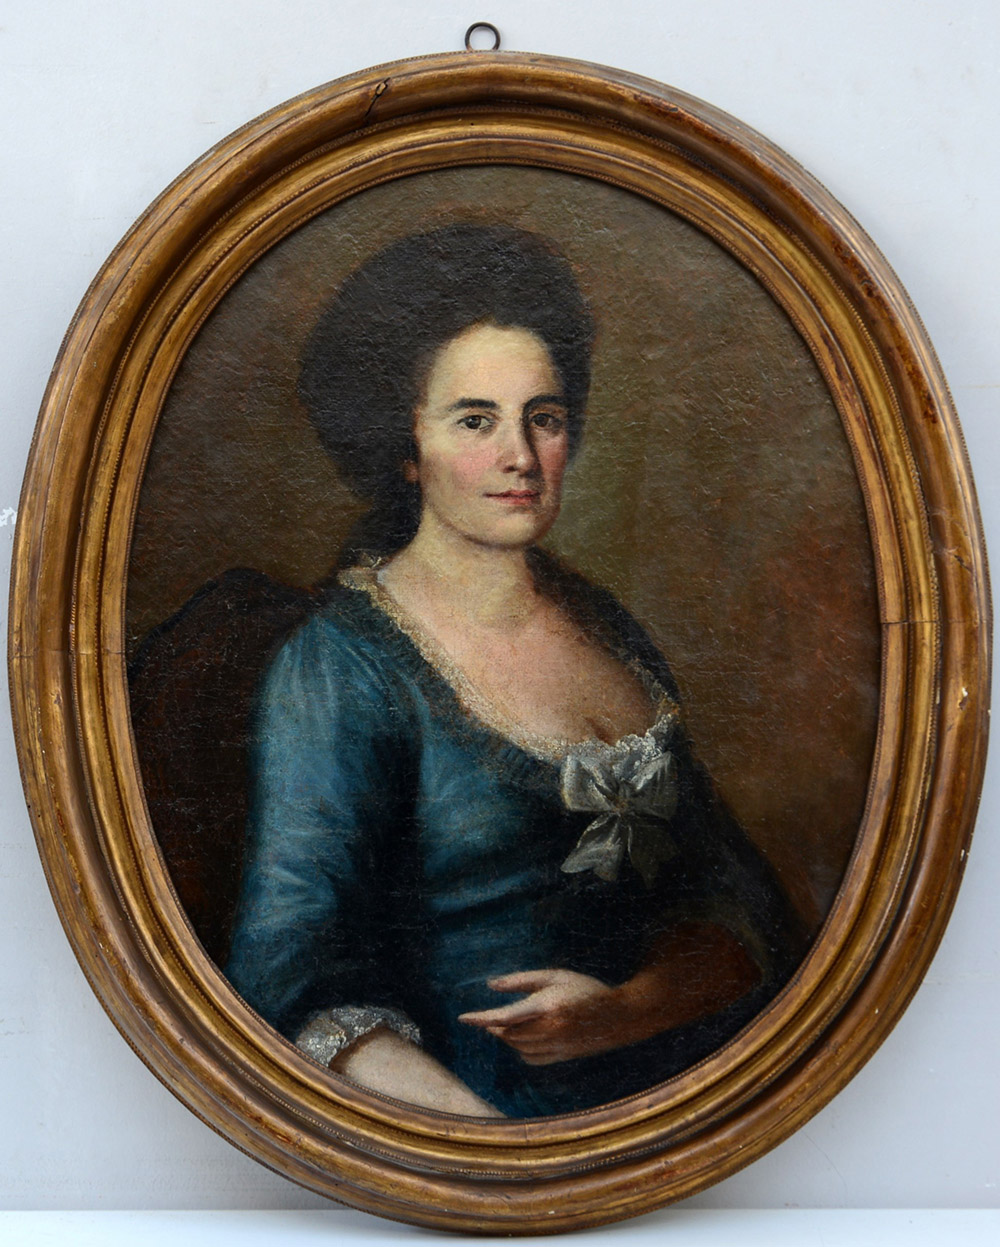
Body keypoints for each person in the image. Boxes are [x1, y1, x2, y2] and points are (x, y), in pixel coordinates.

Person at [225, 224, 804, 1118]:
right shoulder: (340, 667)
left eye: (545, 418)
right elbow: (292, 981)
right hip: (479, 1117)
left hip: (676, 1097)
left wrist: (623, 1010)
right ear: (405, 447)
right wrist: (499, 1154)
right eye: (475, 421)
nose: (521, 457)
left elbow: (732, 897)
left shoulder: (606, 626)